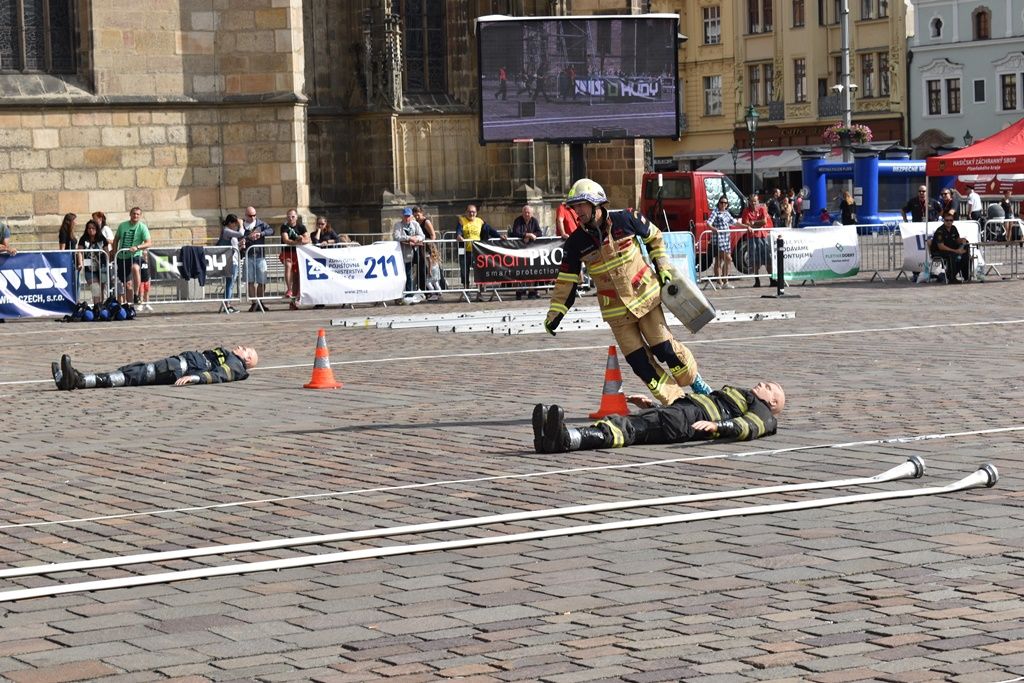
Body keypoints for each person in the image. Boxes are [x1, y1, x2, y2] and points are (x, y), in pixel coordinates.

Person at [544, 178, 714, 406]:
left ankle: (695, 382)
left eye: (581, 205)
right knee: (640, 364)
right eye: (574, 207)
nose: (577, 212)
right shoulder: (575, 243)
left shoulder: (626, 219)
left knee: (664, 349)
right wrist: (554, 315)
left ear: (596, 204)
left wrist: (662, 267)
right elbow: (566, 280)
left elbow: (654, 237)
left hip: (646, 300)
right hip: (616, 314)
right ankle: (677, 403)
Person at [532, 381, 785, 454]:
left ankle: (566, 439)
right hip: (680, 413)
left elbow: (749, 427)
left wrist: (718, 426)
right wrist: (652, 403)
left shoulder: (764, 413)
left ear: (773, 403)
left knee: (627, 429)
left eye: (770, 387)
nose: (763, 383)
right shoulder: (742, 396)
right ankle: (549, 439)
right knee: (633, 425)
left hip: (687, 420)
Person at [51, 346, 258, 391]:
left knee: (132, 375)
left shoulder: (237, 366)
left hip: (179, 369)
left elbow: (219, 375)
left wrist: (195, 379)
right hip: (176, 364)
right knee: (132, 370)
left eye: (246, 350)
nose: (241, 347)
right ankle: (70, 380)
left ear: (247, 360)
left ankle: (78, 381)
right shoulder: (232, 358)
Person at [111, 207, 152, 305]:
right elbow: (116, 239)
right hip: (122, 257)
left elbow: (149, 243)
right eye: (134, 213)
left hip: (135, 255)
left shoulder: (142, 227)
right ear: (130, 214)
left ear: (140, 216)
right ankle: (130, 306)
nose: (135, 216)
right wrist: (115, 251)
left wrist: (137, 247)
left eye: (138, 214)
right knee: (128, 285)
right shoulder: (122, 225)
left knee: (135, 268)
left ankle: (136, 294)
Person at [707, 195, 748, 288]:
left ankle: (722, 281)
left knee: (720, 260)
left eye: (725, 203)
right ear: (718, 203)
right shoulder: (715, 212)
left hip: (726, 239)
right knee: (727, 259)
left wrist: (746, 226)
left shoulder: (726, 213)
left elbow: (735, 222)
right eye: (721, 202)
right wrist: (713, 229)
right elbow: (708, 223)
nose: (723, 204)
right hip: (718, 239)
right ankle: (722, 281)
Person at [241, 206, 274, 312]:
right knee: (250, 281)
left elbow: (271, 230)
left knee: (262, 281)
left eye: (254, 215)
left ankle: (260, 302)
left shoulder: (260, 224)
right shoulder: (242, 226)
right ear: (246, 215)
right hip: (248, 256)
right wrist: (247, 238)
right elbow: (238, 237)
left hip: (260, 256)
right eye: (250, 215)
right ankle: (254, 303)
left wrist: (261, 234)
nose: (253, 217)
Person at [509, 204, 541, 299]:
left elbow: (539, 232)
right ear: (522, 213)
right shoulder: (518, 220)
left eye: (528, 212)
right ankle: (520, 290)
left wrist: (532, 235)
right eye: (525, 212)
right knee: (520, 270)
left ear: (531, 213)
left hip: (532, 250)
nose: (527, 214)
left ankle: (532, 291)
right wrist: (527, 235)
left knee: (532, 270)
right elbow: (516, 232)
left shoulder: (534, 221)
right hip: (520, 249)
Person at [741, 194, 774, 287]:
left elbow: (764, 221)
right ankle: (757, 280)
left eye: (755, 201)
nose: (753, 203)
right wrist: (753, 224)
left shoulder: (762, 208)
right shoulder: (746, 211)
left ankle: (772, 279)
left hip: (763, 236)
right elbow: (746, 223)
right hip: (752, 237)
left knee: (768, 259)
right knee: (754, 261)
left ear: (758, 201)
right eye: (751, 201)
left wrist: (753, 223)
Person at [930, 211, 971, 284]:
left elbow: (957, 239)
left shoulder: (953, 228)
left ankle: (966, 276)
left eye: (950, 220)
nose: (949, 222)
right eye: (947, 220)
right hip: (939, 251)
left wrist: (963, 240)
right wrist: (956, 251)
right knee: (952, 255)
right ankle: (952, 278)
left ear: (953, 221)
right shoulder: (940, 231)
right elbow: (941, 246)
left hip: (951, 249)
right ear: (944, 221)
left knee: (965, 253)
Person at [280, 209, 309, 310]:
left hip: (298, 253)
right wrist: (297, 242)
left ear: (296, 217)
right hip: (287, 252)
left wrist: (302, 239)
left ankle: (294, 301)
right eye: (289, 216)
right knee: (288, 266)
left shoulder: (301, 227)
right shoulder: (284, 227)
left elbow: (307, 239)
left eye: (292, 216)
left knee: (297, 276)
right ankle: (289, 289)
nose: (290, 218)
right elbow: (286, 240)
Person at [217, 214, 246, 313]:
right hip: (230, 262)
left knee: (231, 284)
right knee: (230, 284)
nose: (236, 226)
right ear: (230, 223)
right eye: (235, 224)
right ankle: (227, 305)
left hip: (234, 260)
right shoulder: (226, 230)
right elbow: (241, 233)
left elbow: (233, 244)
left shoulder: (231, 232)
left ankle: (226, 304)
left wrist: (239, 246)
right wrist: (241, 224)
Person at [393, 207, 424, 296]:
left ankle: (409, 294)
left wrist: (416, 239)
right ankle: (402, 293)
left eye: (408, 216)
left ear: (411, 216)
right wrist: (409, 238)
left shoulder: (415, 224)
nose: (407, 218)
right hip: (402, 254)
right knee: (404, 275)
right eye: (405, 216)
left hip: (413, 253)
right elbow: (397, 236)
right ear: (402, 216)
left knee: (410, 274)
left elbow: (422, 236)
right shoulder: (398, 225)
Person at [76, 219, 108, 306]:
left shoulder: (102, 238)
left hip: (102, 266)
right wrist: (80, 263)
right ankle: (97, 306)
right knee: (95, 287)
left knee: (101, 288)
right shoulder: (83, 239)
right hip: (89, 268)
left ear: (97, 229)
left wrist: (108, 262)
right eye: (89, 228)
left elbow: (106, 251)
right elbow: (79, 252)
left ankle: (101, 305)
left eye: (93, 228)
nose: (91, 230)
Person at [457, 204, 484, 292]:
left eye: (473, 212)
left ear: (476, 213)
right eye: (469, 212)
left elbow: (489, 230)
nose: (471, 214)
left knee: (479, 271)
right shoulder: (462, 220)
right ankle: (466, 289)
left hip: (477, 251)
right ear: (466, 212)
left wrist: (500, 236)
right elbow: (458, 231)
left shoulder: (480, 221)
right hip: (464, 251)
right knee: (464, 271)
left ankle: (479, 290)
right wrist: (459, 235)